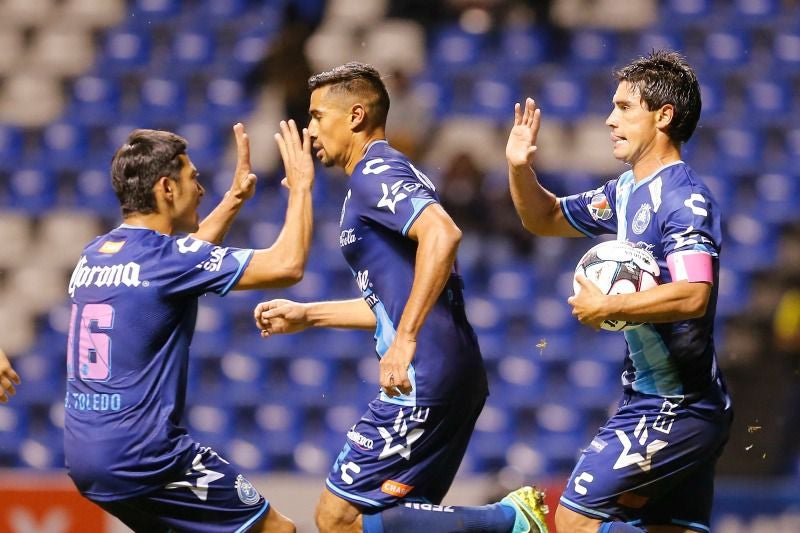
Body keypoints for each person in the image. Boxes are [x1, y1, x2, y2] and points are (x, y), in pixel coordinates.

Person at [254, 62, 548, 533]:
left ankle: (508, 521)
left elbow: (443, 233)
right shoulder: (373, 179)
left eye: (316, 116)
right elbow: (394, 302)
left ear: (354, 116)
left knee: (338, 516)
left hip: (424, 374)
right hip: (448, 369)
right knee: (386, 522)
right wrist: (307, 314)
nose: (310, 130)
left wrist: (405, 339)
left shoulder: (376, 169)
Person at [505, 50, 733, 533]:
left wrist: (610, 306)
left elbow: (695, 294)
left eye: (625, 107)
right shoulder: (625, 190)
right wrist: (520, 168)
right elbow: (542, 218)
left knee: (570, 523)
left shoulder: (684, 199)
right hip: (657, 399)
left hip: (676, 405)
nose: (610, 119)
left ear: (663, 116)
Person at [64, 120, 314, 532]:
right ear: (166, 188)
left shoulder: (95, 254)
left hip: (87, 458)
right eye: (193, 178)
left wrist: (234, 198)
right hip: (145, 455)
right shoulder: (168, 260)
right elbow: (288, 265)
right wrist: (302, 186)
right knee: (278, 530)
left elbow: (185, 258)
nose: (200, 189)